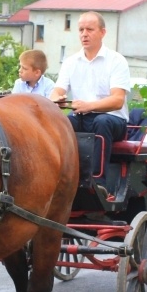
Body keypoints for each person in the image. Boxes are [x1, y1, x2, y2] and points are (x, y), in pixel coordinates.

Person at [50, 11, 130, 194]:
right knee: (64, 122)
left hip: (113, 120)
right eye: (81, 30)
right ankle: (62, 176)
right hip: (81, 116)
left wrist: (88, 106)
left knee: (101, 122)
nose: (84, 34)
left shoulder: (116, 61)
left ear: (103, 32)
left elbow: (117, 101)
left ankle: (97, 183)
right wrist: (56, 99)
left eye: (89, 29)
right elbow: (57, 91)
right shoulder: (70, 62)